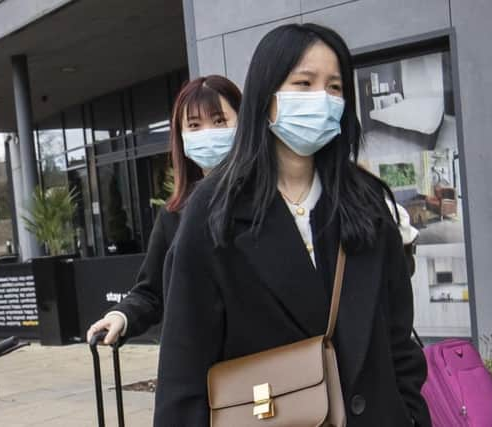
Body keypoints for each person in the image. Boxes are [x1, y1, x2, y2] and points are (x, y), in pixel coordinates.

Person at [155, 23, 431, 427]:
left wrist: (411, 416)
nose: (322, 98)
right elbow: (184, 370)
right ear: (266, 97)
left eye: (334, 87)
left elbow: (399, 340)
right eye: (304, 83)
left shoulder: (367, 201)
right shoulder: (214, 211)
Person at [86, 75, 241, 345]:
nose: (207, 133)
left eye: (219, 121)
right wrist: (122, 315)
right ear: (181, 137)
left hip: (271, 362)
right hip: (205, 365)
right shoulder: (176, 214)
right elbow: (151, 292)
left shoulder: (270, 198)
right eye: (194, 125)